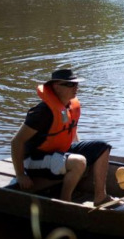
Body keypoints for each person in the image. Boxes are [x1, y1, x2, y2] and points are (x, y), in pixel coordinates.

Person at [10, 68, 116, 206]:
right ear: (56, 87)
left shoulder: (69, 106)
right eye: (70, 84)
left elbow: (70, 131)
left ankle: (100, 197)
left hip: (58, 154)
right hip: (35, 159)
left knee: (102, 147)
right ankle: (65, 202)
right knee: (79, 162)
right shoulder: (42, 112)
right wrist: (20, 175)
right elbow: (16, 142)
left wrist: (80, 153)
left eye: (76, 84)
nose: (75, 87)